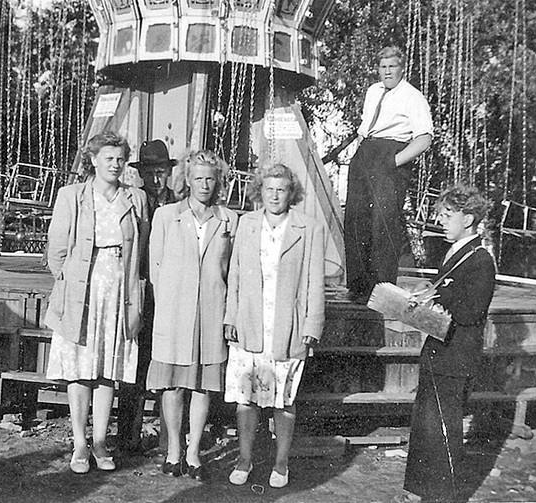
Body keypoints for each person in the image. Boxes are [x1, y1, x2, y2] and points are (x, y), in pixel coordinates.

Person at [43, 131, 148, 474]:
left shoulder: (135, 198)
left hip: (119, 289)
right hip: (82, 290)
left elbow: (141, 247)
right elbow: (56, 251)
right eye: (108, 158)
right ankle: (79, 444)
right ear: (93, 160)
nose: (115, 165)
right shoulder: (72, 195)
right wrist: (70, 281)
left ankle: (101, 442)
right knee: (80, 369)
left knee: (107, 370)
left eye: (120, 159)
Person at [223, 164, 325, 489]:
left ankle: (281, 463)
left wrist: (312, 323)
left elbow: (314, 281)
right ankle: (244, 458)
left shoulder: (307, 227)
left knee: (284, 399)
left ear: (290, 192)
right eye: (269, 188)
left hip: (288, 325)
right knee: (247, 397)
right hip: (251, 322)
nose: (275, 195)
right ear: (260, 191)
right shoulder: (247, 223)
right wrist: (231, 317)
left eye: (281, 189)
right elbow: (235, 275)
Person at [146, 150, 238, 481]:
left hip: (211, 311)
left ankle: (194, 451)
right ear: (187, 180)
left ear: (218, 182)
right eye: (198, 178)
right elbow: (155, 267)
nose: (204, 184)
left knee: (203, 386)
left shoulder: (228, 219)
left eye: (210, 178)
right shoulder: (166, 216)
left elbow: (232, 272)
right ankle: (173, 450)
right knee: (172, 385)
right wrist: (169, 303)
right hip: (174, 312)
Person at [402, 185, 496, 502]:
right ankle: (418, 489)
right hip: (438, 351)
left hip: (455, 357)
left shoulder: (481, 259)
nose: (440, 220)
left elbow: (472, 310)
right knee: (426, 424)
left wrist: (435, 296)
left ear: (468, 218)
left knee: (444, 428)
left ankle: (441, 496)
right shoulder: (455, 252)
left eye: (447, 215)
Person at [344, 46, 434, 302]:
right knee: (355, 219)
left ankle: (382, 288)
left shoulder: (413, 97)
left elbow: (424, 139)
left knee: (383, 223)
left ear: (402, 67)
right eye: (383, 67)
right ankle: (358, 285)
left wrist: (392, 162)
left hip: (391, 153)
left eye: (392, 66)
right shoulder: (373, 91)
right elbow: (366, 127)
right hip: (365, 153)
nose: (387, 71)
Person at [117, 139, 179, 453]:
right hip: (141, 290)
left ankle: (172, 440)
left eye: (161, 172)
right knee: (136, 368)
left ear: (169, 172)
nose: (156, 179)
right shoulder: (133, 202)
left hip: (170, 294)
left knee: (170, 368)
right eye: (151, 173)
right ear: (141, 174)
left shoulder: (180, 205)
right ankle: (128, 438)